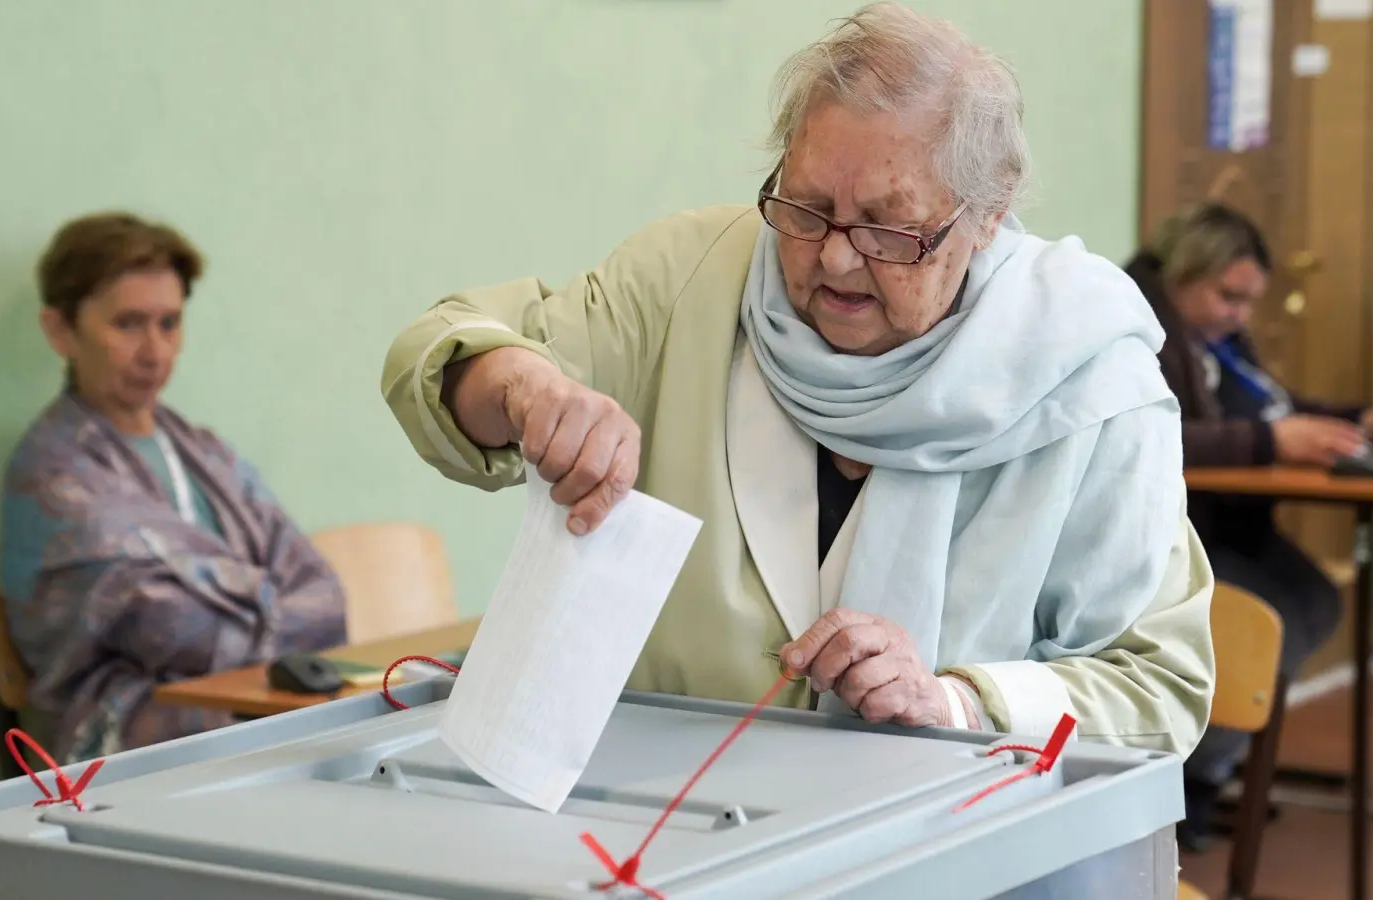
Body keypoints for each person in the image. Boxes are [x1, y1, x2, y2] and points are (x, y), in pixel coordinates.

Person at [381, 3, 1214, 756]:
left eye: (890, 228)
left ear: (987, 215)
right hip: (664, 821)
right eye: (807, 208)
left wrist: (958, 701)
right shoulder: (689, 279)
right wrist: (527, 389)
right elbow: (441, 352)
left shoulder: (1093, 376)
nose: (839, 256)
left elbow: (1159, 687)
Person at [0, 211, 348, 764]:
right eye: (128, 324)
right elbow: (173, 625)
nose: (155, 352)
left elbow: (325, 597)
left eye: (169, 323)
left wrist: (235, 603)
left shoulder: (205, 453)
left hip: (248, 707)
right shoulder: (51, 472)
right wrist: (270, 603)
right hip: (124, 743)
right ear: (61, 331)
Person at [1123, 202, 1373, 850]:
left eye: (1249, 301)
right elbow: (1158, 435)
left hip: (1236, 525)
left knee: (1312, 598)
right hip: (1178, 536)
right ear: (1188, 271)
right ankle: (1189, 783)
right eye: (1230, 296)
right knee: (1268, 614)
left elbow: (1278, 406)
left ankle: (1214, 768)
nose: (1240, 315)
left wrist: (1362, 423)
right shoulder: (1139, 324)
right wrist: (1269, 440)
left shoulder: (1217, 339)